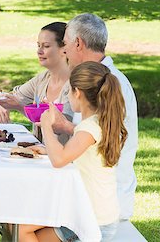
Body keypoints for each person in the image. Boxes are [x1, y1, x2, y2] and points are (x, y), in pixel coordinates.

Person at [19, 61, 127, 241]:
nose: (68, 96)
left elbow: (59, 160)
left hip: (92, 218)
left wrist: (46, 125)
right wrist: (48, 149)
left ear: (77, 93)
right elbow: (75, 152)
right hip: (97, 213)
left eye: (69, 91)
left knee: (21, 229)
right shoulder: (98, 122)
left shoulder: (89, 128)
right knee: (24, 226)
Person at [48, 13, 138, 220]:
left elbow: (105, 135)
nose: (63, 51)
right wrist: (65, 126)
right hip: (87, 192)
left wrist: (60, 127)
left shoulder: (110, 83)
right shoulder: (97, 79)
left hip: (102, 202)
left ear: (78, 43)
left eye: (65, 44)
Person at [0, 22, 71, 142]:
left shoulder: (76, 85)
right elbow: (14, 97)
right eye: (38, 45)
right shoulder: (42, 80)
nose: (39, 51)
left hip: (66, 157)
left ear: (64, 49)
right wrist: (3, 103)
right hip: (40, 155)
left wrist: (18, 106)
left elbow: (59, 127)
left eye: (46, 46)